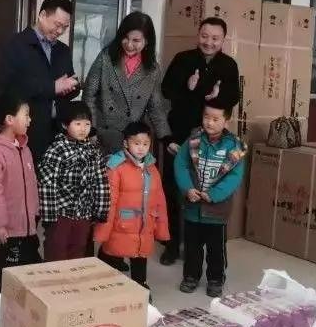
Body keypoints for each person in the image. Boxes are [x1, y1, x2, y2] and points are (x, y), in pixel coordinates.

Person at [160, 17, 240, 266]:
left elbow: (233, 98)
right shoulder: (182, 59)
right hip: (181, 134)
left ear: (223, 40)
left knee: (206, 189)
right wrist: (187, 85)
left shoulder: (228, 65)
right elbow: (165, 91)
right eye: (205, 36)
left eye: (215, 38)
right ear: (198, 35)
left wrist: (219, 95)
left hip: (211, 141)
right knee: (174, 190)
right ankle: (172, 244)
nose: (209, 42)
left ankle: (200, 246)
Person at [173, 98, 247, 298]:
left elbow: (234, 177)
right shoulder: (193, 140)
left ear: (226, 121)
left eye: (215, 119)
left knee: (216, 249)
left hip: (217, 210)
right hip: (193, 207)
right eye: (206, 117)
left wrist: (214, 195)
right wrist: (187, 188)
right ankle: (191, 276)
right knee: (192, 247)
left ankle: (216, 279)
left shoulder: (234, 147)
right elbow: (181, 164)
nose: (209, 122)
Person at [0, 0, 79, 163]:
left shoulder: (63, 50)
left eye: (65, 27)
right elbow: (10, 86)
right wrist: (53, 87)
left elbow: (67, 82)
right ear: (42, 15)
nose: (60, 31)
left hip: (58, 131)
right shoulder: (16, 44)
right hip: (28, 129)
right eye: (57, 25)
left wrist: (72, 87)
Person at [83, 11, 173, 155]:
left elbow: (155, 107)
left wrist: (166, 138)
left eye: (136, 40)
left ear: (147, 41)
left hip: (132, 138)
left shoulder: (153, 69)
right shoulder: (106, 57)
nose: (129, 44)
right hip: (102, 134)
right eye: (125, 38)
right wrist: (91, 130)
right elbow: (89, 95)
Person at [93, 122, 169, 291]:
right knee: (110, 253)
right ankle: (101, 284)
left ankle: (140, 285)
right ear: (126, 143)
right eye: (136, 143)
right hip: (121, 225)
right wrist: (102, 231)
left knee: (140, 255)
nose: (141, 148)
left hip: (144, 225)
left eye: (145, 144)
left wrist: (161, 228)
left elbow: (160, 200)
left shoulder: (152, 168)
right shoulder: (116, 167)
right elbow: (110, 202)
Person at [0, 92, 41, 293]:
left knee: (25, 280)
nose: (30, 120)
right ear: (9, 119)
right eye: (26, 115)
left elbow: (31, 186)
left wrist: (34, 214)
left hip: (25, 230)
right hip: (3, 233)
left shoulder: (25, 148)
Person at [38, 101, 110, 261]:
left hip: (84, 214)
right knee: (56, 250)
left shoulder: (94, 151)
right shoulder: (57, 150)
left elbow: (101, 182)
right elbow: (47, 184)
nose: (83, 128)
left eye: (87, 124)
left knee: (78, 250)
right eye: (78, 124)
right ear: (65, 125)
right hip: (61, 214)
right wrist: (49, 216)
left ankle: (73, 277)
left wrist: (101, 210)